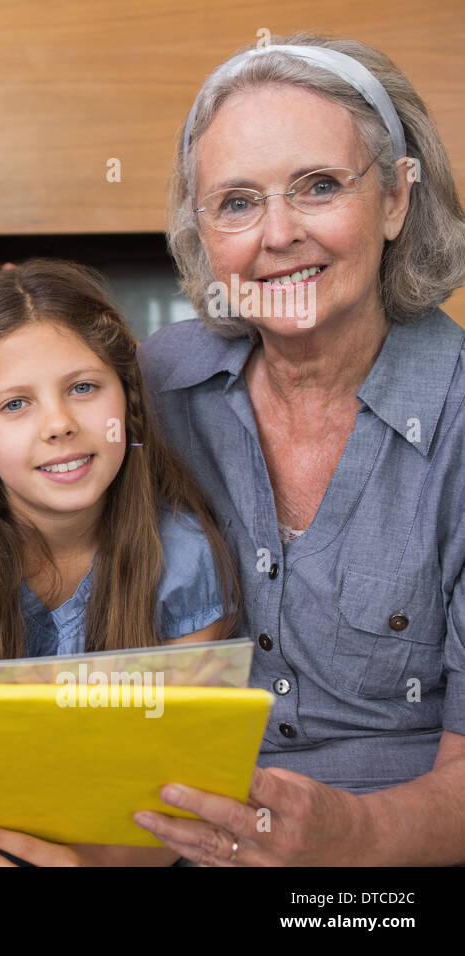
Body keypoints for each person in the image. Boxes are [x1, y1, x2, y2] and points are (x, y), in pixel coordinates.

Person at [129, 34, 465, 866]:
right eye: (237, 203)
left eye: (318, 187)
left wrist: (357, 837)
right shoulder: (150, 390)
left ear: (394, 200)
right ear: (204, 237)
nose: (279, 234)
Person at [0, 260, 241, 866]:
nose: (59, 426)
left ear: (127, 399)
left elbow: (179, 802)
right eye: (16, 404)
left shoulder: (183, 556)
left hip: (124, 841)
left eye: (82, 387)